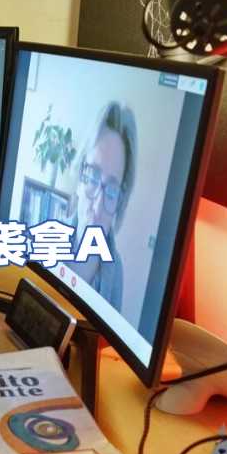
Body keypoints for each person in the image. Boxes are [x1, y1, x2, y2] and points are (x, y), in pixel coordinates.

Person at [66, 101, 137, 313]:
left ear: (120, 201)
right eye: (93, 176)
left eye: (112, 190)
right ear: (80, 176)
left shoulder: (116, 273)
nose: (97, 205)